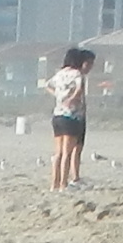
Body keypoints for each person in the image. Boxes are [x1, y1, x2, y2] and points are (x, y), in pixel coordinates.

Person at [46, 45, 95, 188]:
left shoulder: (60, 74)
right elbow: (80, 89)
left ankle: (54, 184)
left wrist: (58, 95)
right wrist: (72, 98)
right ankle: (63, 184)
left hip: (58, 115)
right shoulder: (77, 74)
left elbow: (48, 84)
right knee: (67, 153)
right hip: (72, 116)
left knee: (58, 153)